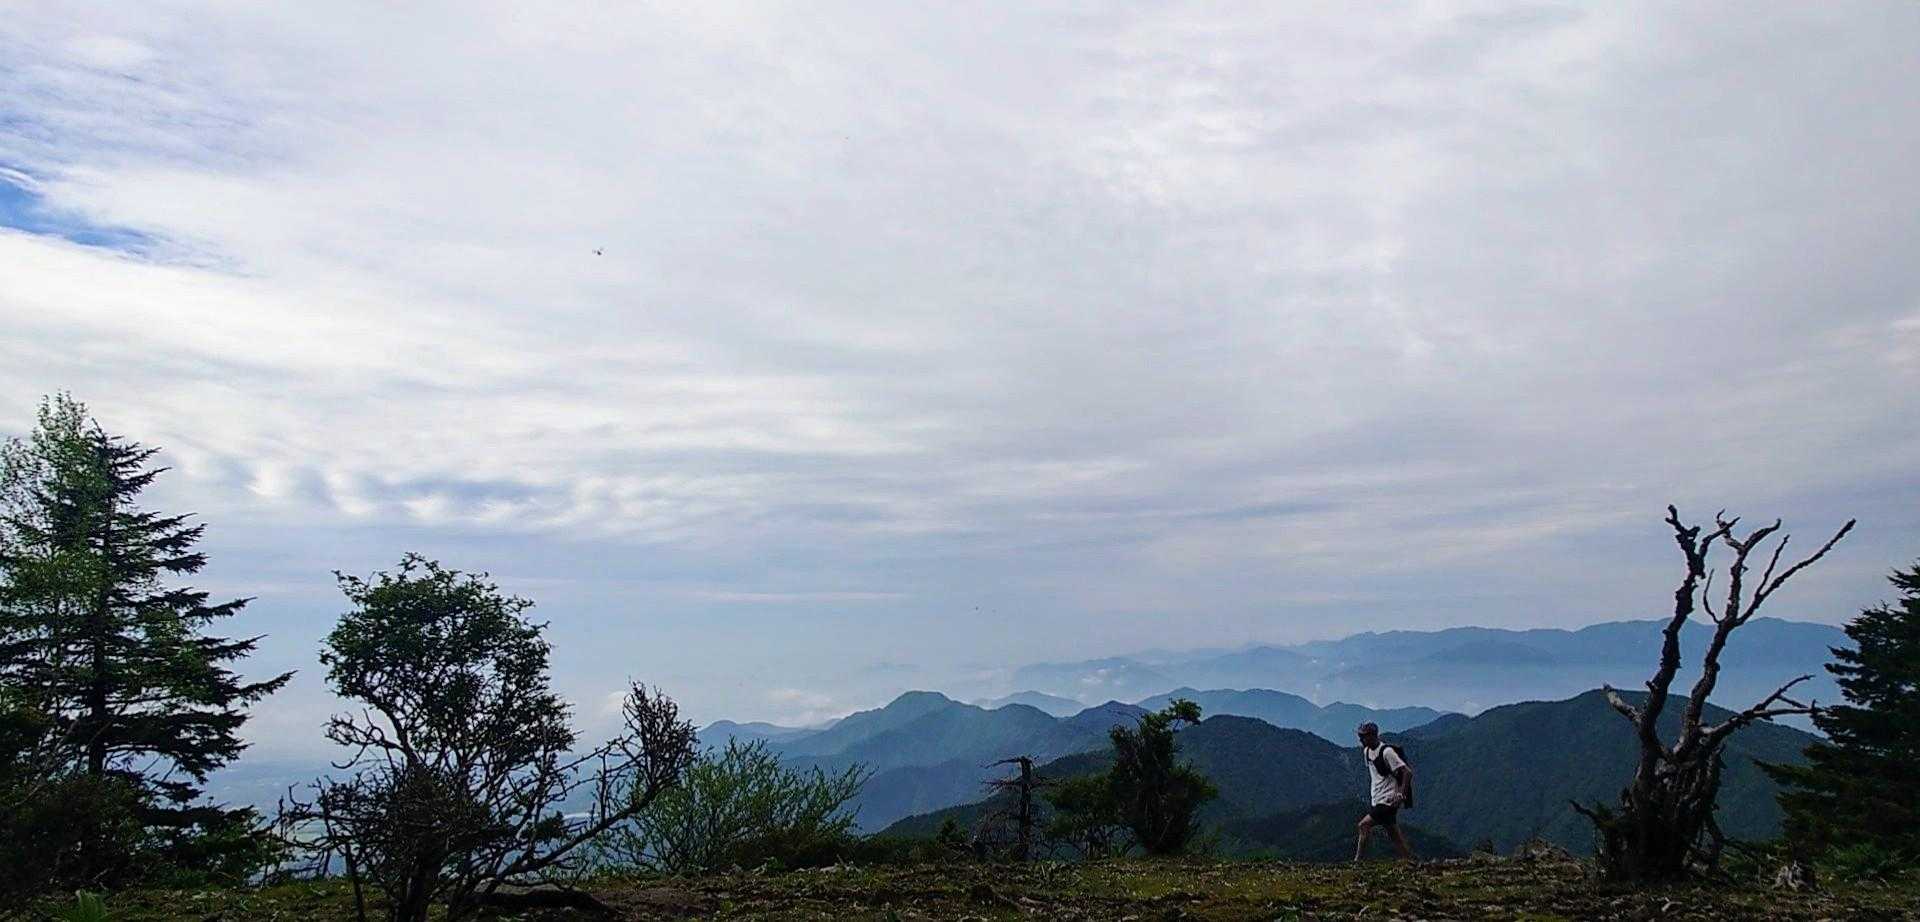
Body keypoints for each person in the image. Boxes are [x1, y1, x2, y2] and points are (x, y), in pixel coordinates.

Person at [1354, 721, 1414, 862]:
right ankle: (1411, 861)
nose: (1361, 740)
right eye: (1360, 736)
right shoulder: (1367, 752)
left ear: (1373, 735)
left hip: (1388, 800)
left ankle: (1357, 861)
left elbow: (1407, 772)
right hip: (1378, 799)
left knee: (1363, 825)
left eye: (1363, 736)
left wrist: (1401, 794)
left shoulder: (1387, 752)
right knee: (1394, 835)